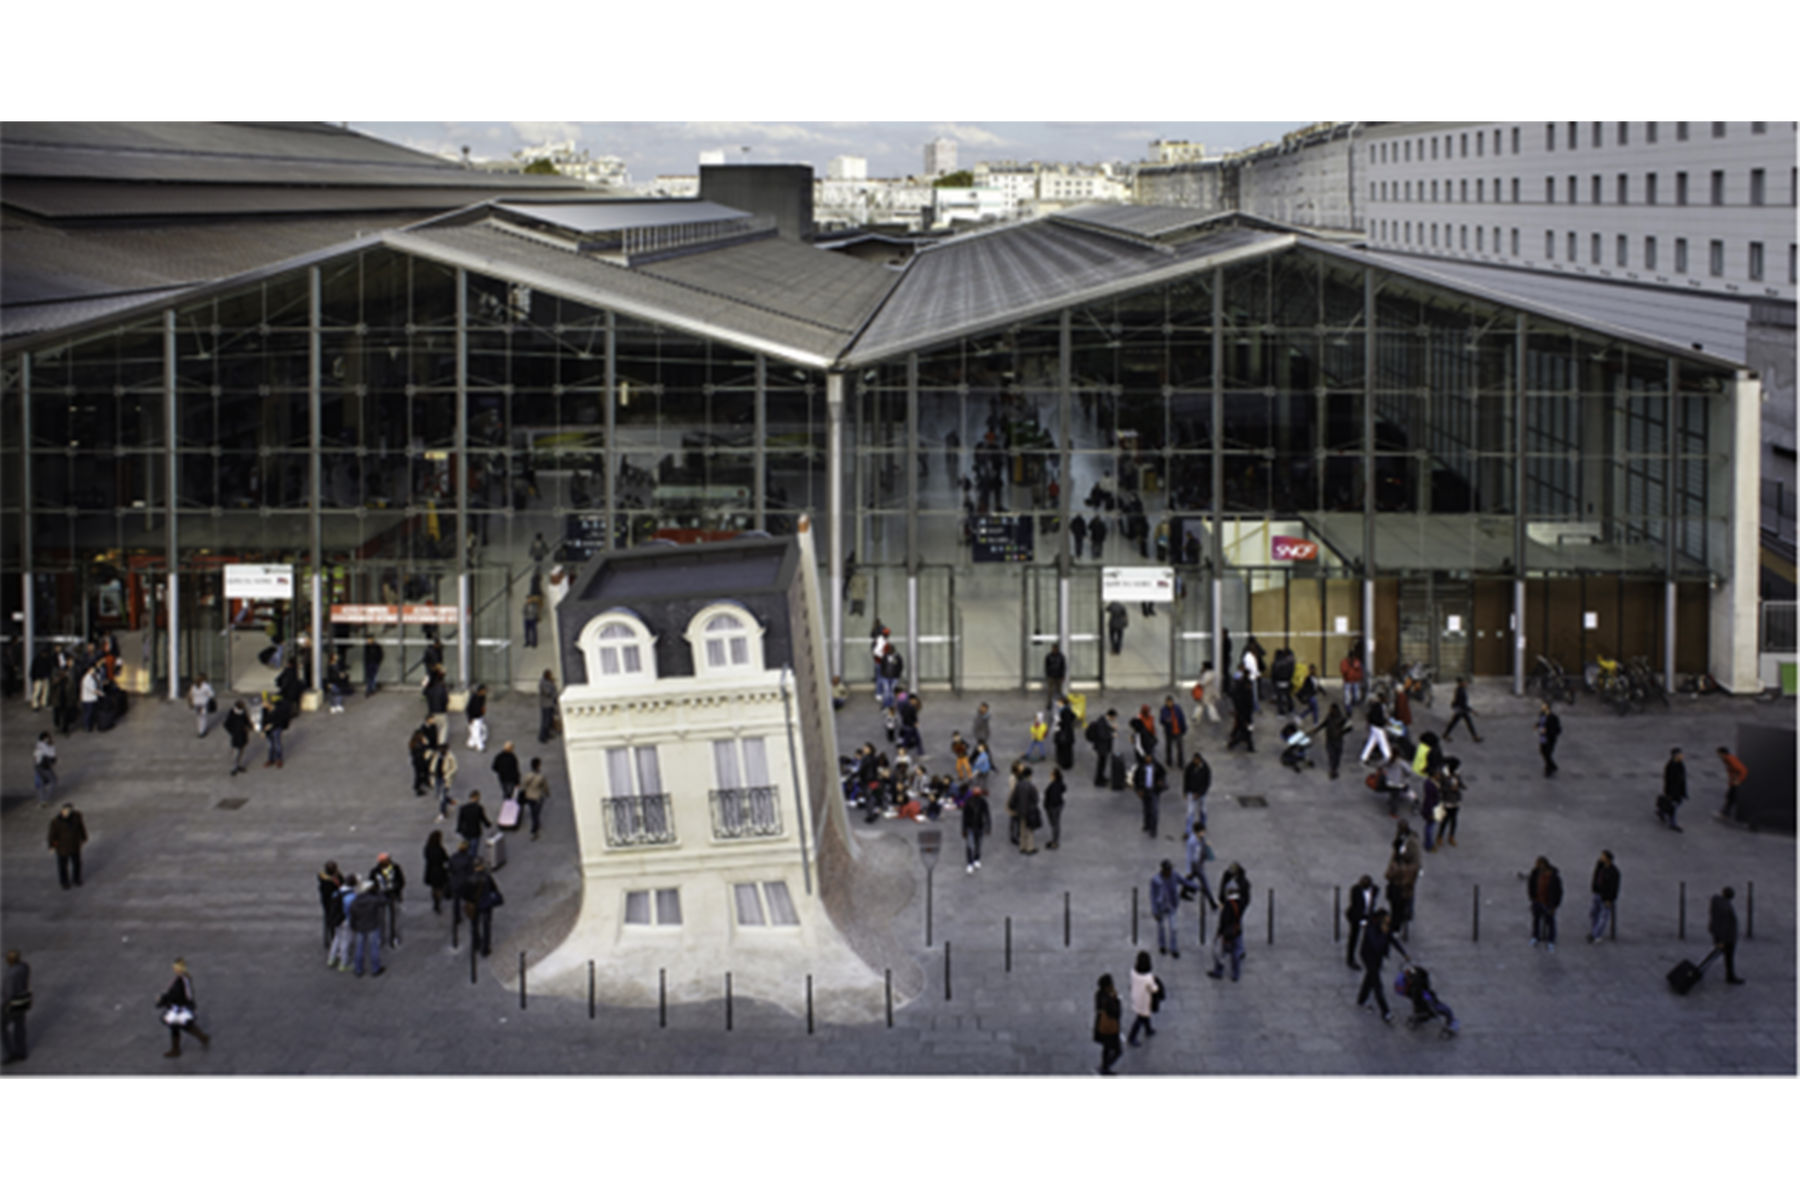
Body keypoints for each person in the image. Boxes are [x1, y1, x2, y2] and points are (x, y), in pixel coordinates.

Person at [1356, 910, 1408, 1023]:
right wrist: (1384, 934)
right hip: (1369, 957)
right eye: (1386, 919)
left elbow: (1392, 940)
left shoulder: (1384, 927)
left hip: (1377, 958)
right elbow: (1376, 945)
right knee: (1377, 985)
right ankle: (1386, 1012)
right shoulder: (1371, 929)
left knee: (1369, 978)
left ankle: (1362, 999)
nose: (1388, 922)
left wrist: (1404, 953)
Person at [155, 959, 211, 1057]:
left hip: (180, 1009)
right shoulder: (180, 979)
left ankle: (200, 1038)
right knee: (177, 1027)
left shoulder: (183, 980)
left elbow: (184, 996)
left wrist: (164, 1000)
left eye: (176, 968)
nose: (174, 969)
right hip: (178, 1007)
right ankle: (179, 1048)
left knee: (182, 1026)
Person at [1209, 877, 1246, 982]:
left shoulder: (1228, 905)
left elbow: (1224, 920)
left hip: (1228, 933)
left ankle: (1218, 971)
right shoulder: (1241, 902)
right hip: (1237, 930)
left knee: (1220, 952)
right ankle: (1236, 974)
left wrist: (1219, 932)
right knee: (1236, 953)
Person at [1385, 823, 1420, 932]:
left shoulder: (1412, 842)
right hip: (1403, 882)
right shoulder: (1403, 838)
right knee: (1399, 906)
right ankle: (1402, 917)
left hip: (1400, 886)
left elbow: (1389, 875)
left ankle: (1403, 919)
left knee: (1399, 906)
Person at [465, 860, 504, 957]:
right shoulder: (486, 877)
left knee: (474, 925)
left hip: (475, 905)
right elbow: (494, 889)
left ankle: (476, 943)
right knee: (486, 927)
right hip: (486, 904)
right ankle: (485, 949)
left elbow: (468, 893)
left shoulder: (471, 878)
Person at [348, 881, 386, 977]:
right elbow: (384, 901)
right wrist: (379, 892)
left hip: (360, 927)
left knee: (359, 948)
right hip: (372, 925)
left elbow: (353, 916)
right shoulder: (373, 900)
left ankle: (358, 969)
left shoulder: (354, 902)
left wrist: (353, 926)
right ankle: (375, 968)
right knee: (374, 948)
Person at [1709, 886, 1746, 984]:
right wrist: (1724, 939)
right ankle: (1730, 976)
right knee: (1729, 958)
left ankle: (1730, 975)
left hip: (1720, 935)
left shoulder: (1717, 902)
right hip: (1727, 937)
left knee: (1722, 956)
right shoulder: (1726, 908)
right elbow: (1726, 924)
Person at [47, 802, 88, 890]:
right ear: (62, 810)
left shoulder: (77, 817)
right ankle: (64, 882)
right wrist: (52, 846)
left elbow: (81, 827)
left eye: (68, 810)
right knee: (63, 866)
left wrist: (84, 837)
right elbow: (52, 835)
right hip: (62, 848)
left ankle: (76, 879)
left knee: (77, 863)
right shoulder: (56, 821)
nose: (66, 812)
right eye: (65, 810)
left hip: (74, 845)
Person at [1150, 860, 1186, 958]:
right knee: (1161, 927)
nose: (1170, 871)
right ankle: (1162, 946)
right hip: (1161, 906)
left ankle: (1173, 948)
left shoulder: (1174, 875)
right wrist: (1154, 910)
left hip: (1172, 906)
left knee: (1173, 928)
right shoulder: (1156, 880)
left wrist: (1197, 887)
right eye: (1168, 870)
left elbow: (1184, 881)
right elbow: (1153, 896)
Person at [1527, 855, 1563, 951]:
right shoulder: (1535, 873)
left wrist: (1555, 905)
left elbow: (1558, 892)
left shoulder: (1553, 877)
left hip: (1548, 903)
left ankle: (1551, 940)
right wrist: (1532, 897)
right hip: (1537, 901)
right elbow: (1531, 885)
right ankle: (1536, 937)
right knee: (1536, 920)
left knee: (1550, 922)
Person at [1345, 874, 1381, 970]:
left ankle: (1370, 957)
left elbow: (1372, 903)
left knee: (1371, 937)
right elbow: (1356, 906)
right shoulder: (1355, 890)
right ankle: (1350, 959)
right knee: (1354, 937)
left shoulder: (1375, 890)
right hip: (1357, 917)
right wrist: (1361, 918)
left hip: (1368, 916)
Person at [1127, 951, 1161, 1046]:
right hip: (1144, 1000)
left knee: (1145, 1015)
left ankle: (1148, 1029)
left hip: (1135, 996)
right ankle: (1132, 1037)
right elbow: (1154, 989)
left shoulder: (1133, 971)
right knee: (1141, 1017)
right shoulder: (1148, 978)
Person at [372, 852, 406, 948]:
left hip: (393, 895)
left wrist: (396, 888)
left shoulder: (395, 868)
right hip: (381, 896)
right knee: (380, 918)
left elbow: (401, 881)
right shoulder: (375, 871)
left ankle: (394, 937)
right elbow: (372, 882)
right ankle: (381, 938)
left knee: (394, 918)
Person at [2, 950, 29, 1064]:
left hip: (13, 1001)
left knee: (2, 1027)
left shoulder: (11, 975)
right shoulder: (25, 967)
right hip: (23, 998)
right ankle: (21, 1051)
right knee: (19, 1026)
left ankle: (10, 1053)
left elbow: (9, 992)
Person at [1093, 974, 1123, 1075]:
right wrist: (1117, 1000)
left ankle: (1104, 1066)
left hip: (1100, 1025)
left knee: (1106, 1048)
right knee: (1117, 1050)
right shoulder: (1109, 999)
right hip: (1110, 1029)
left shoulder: (1098, 995)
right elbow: (1117, 1013)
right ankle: (1105, 1067)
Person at [1588, 851, 1620, 943]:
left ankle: (1596, 934)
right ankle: (1594, 931)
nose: (1601, 857)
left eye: (1603, 856)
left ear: (1608, 859)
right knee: (1593, 913)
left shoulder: (1614, 872)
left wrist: (1610, 898)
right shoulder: (1600, 866)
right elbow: (1596, 876)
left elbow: (1614, 887)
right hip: (1597, 893)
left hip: (1606, 897)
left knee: (1603, 916)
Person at [961, 785, 991, 874]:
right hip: (972, 826)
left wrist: (988, 826)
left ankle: (976, 859)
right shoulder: (970, 802)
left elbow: (987, 815)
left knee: (977, 844)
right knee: (971, 845)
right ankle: (971, 862)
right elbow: (964, 817)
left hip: (978, 826)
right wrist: (964, 828)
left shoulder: (982, 802)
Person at [1442, 677, 1482, 742]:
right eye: (1464, 682)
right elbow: (1462, 703)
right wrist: (1472, 710)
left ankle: (1445, 734)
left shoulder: (1461, 689)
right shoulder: (1460, 691)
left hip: (1461, 709)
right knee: (1465, 722)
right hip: (1461, 710)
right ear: (1460, 683)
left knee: (1456, 722)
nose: (1465, 683)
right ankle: (1475, 737)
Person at [1316, 702, 1348, 780]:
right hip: (1330, 740)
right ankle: (1333, 770)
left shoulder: (1341, 718)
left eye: (1331, 709)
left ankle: (1334, 769)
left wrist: (1341, 732)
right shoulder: (1329, 716)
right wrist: (1316, 730)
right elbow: (1324, 723)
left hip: (1338, 741)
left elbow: (1349, 728)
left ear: (1335, 710)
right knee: (1332, 756)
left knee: (1337, 757)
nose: (1329, 710)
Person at [520, 757, 550, 840]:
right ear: (538, 766)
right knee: (536, 814)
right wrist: (547, 793)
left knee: (533, 812)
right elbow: (545, 787)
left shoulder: (527, 775)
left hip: (529, 796)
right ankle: (534, 830)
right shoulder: (541, 777)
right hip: (538, 797)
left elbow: (523, 785)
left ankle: (536, 824)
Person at [316, 860, 344, 951]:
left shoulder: (322, 878)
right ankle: (334, 939)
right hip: (333, 903)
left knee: (327, 920)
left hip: (325, 902)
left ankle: (327, 940)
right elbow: (341, 886)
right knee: (334, 921)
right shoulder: (334, 880)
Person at [422, 830, 451, 915]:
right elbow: (445, 858)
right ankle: (438, 901)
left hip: (430, 870)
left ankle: (435, 901)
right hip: (439, 870)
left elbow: (426, 857)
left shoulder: (427, 848)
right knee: (440, 887)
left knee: (434, 887)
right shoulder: (439, 849)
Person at [1014, 766, 1042, 855]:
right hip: (1030, 811)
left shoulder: (1018, 785)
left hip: (1021, 810)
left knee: (1022, 829)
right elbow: (1036, 799)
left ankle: (1022, 847)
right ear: (1029, 775)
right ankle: (1030, 848)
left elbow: (1015, 797)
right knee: (1030, 830)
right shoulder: (1031, 786)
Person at [1134, 756, 1163, 837]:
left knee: (1154, 810)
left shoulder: (1157, 766)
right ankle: (1147, 824)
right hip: (1145, 790)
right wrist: (1138, 790)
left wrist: (1160, 782)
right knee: (1146, 808)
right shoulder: (1141, 767)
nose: (1148, 759)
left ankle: (1153, 829)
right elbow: (1136, 779)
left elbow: (1163, 774)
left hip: (1154, 791)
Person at [1359, 695, 1392, 767]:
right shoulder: (1380, 707)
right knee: (1383, 742)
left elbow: (1369, 717)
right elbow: (1382, 717)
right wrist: (1385, 722)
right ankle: (1388, 756)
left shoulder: (1374, 706)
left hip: (1373, 727)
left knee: (1371, 742)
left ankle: (1364, 757)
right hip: (1378, 727)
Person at [1182, 749, 1211, 829]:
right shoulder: (1190, 767)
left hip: (1201, 793)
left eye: (1196, 760)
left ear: (1199, 760)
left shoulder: (1205, 768)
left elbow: (1207, 782)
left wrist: (1200, 793)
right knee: (1190, 812)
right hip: (1191, 792)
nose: (1195, 761)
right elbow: (1186, 779)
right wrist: (1185, 791)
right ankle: (1188, 830)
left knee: (1203, 810)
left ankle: (1202, 825)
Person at [1087, 708, 1117, 787]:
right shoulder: (1101, 722)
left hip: (1103, 747)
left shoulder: (1104, 720)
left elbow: (1105, 729)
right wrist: (1112, 735)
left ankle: (1101, 777)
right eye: (1114, 717)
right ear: (1111, 716)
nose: (1114, 719)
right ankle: (1098, 780)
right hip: (1101, 747)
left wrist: (1112, 728)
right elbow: (1102, 735)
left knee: (1103, 764)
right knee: (1100, 764)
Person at [1716, 746, 1748, 820]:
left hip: (1735, 782)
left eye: (1719, 754)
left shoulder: (1730, 759)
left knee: (1731, 797)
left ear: (1723, 753)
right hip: (1733, 782)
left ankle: (1725, 814)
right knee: (1730, 797)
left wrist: (1739, 780)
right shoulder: (1728, 759)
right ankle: (1726, 813)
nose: (1718, 756)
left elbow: (1743, 770)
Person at [429, 743, 460, 819]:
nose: (441, 751)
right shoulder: (437, 755)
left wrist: (448, 774)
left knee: (442, 796)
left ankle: (443, 812)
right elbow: (433, 763)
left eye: (442, 749)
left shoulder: (450, 757)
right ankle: (450, 800)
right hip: (437, 777)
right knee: (438, 793)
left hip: (445, 778)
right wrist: (432, 770)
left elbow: (455, 768)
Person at [1660, 748, 1687, 831]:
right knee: (1673, 807)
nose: (1682, 756)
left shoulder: (1680, 764)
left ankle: (1661, 811)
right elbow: (1668, 780)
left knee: (1676, 804)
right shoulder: (1671, 766)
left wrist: (1684, 791)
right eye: (1680, 754)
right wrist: (1670, 793)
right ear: (1675, 755)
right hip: (1673, 791)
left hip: (1679, 790)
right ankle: (1673, 824)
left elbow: (1682, 779)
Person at [262, 692, 292, 768]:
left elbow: (280, 720)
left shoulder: (278, 710)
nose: (263, 705)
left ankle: (279, 759)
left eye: (265, 704)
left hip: (276, 727)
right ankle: (271, 759)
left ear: (269, 704)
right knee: (270, 745)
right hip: (268, 729)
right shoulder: (265, 710)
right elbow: (263, 720)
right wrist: (263, 730)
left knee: (277, 743)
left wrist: (271, 725)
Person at [223, 699, 252, 776]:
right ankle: (234, 767)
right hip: (236, 736)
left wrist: (249, 726)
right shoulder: (232, 713)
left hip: (242, 735)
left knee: (241, 751)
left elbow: (247, 721)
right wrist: (233, 732)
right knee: (236, 753)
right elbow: (226, 724)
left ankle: (238, 765)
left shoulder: (243, 713)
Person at [1159, 695, 1187, 769]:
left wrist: (1184, 728)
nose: (1169, 704)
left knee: (1180, 748)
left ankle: (1180, 762)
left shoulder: (1177, 708)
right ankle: (1169, 761)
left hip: (1178, 731)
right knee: (1169, 747)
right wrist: (1166, 720)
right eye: (1168, 702)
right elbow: (1161, 720)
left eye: (1170, 702)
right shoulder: (1163, 710)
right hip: (1169, 732)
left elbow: (1182, 718)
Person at [1536, 702, 1561, 778]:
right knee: (1542, 751)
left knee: (1547, 752)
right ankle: (1552, 765)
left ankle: (1548, 770)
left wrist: (1551, 732)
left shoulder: (1553, 717)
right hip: (1543, 737)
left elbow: (1558, 729)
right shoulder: (1542, 715)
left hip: (1550, 738)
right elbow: (1541, 723)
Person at [32, 732, 56, 807]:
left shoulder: (38, 745)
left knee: (41, 783)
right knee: (54, 781)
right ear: (45, 738)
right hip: (44, 767)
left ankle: (42, 800)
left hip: (38, 767)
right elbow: (51, 756)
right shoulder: (46, 745)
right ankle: (45, 799)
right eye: (48, 737)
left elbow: (35, 756)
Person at [1193, 661, 1220, 725]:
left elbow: (1203, 682)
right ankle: (1196, 717)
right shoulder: (1209, 673)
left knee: (1207, 705)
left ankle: (1197, 717)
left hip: (1207, 693)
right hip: (1207, 692)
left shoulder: (1209, 674)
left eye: (1203, 666)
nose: (1202, 667)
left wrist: (1200, 681)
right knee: (1207, 705)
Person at [465, 683, 489, 753]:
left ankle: (470, 743)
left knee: (474, 731)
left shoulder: (482, 697)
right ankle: (480, 747)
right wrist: (470, 718)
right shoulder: (474, 697)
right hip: (474, 718)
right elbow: (468, 709)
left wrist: (483, 711)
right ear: (480, 690)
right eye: (484, 690)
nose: (485, 692)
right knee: (476, 732)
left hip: (479, 716)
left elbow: (482, 706)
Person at [538, 669, 559, 743]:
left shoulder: (548, 682)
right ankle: (542, 737)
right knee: (545, 721)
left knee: (550, 720)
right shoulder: (543, 683)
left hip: (550, 704)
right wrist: (552, 684)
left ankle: (547, 734)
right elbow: (548, 692)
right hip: (546, 705)